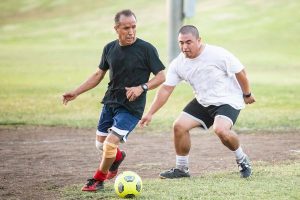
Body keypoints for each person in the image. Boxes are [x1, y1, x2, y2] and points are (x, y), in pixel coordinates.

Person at [62, 9, 165, 191]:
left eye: (134, 27)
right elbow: (98, 74)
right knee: (101, 145)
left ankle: (97, 180)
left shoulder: (146, 49)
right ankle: (117, 157)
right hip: (110, 102)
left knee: (110, 144)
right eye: (126, 28)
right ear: (116, 28)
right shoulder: (109, 48)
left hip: (132, 108)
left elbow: (161, 76)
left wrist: (142, 87)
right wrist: (76, 92)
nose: (131, 32)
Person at [139, 25, 255, 179]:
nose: (184, 47)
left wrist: (247, 94)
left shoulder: (217, 54)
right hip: (204, 101)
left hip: (228, 99)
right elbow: (166, 89)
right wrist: (150, 113)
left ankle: (242, 160)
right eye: (181, 43)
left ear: (199, 40)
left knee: (221, 130)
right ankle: (182, 169)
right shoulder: (178, 63)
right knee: (179, 126)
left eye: (188, 42)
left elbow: (241, 72)